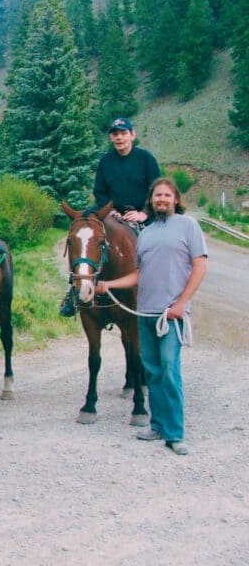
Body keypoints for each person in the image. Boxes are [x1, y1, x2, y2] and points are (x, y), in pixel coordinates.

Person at [95, 178, 207, 456]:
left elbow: (200, 266)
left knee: (169, 370)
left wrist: (182, 303)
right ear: (152, 200)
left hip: (171, 314)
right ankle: (157, 425)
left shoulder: (189, 226)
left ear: (176, 200)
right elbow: (139, 274)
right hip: (145, 312)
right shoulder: (145, 234)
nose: (162, 199)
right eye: (158, 195)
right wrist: (110, 285)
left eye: (167, 195)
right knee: (153, 372)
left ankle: (176, 433)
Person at [60, 117, 161, 317]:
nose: (119, 137)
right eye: (115, 134)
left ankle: (156, 293)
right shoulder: (106, 161)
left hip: (141, 215)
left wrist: (144, 213)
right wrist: (110, 210)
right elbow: (99, 191)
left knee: (155, 250)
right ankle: (73, 291)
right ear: (111, 138)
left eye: (123, 133)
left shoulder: (146, 159)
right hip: (111, 213)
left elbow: (157, 189)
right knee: (84, 237)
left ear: (133, 135)